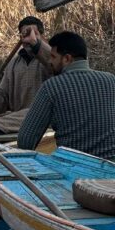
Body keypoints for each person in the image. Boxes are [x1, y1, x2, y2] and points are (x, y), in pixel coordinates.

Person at [17, 30, 115, 160]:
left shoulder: (51, 87)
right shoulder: (110, 80)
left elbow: (25, 140)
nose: (49, 61)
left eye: (53, 56)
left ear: (67, 58)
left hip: (74, 168)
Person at [0, 16, 51, 136]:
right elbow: (2, 94)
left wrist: (36, 43)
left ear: (42, 35)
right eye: (24, 35)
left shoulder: (51, 57)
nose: (28, 39)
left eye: (34, 33)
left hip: (43, 117)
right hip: (18, 119)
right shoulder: (14, 63)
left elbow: (54, 63)